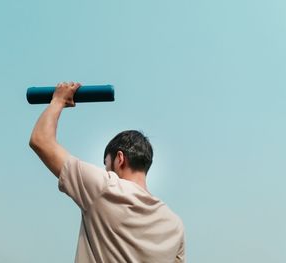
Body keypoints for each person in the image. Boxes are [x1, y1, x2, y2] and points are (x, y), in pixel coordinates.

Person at [29, 82, 185, 263]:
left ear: (120, 159)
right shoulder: (175, 225)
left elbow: (40, 140)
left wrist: (58, 100)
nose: (105, 170)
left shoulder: (105, 188)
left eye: (106, 165)